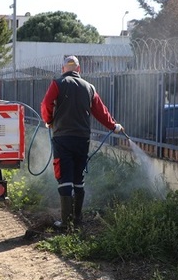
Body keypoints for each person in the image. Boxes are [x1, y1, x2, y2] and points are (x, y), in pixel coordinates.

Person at [40, 55, 124, 228]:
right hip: (82, 138)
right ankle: (77, 219)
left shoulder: (57, 84)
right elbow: (100, 111)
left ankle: (65, 222)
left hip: (62, 137)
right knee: (78, 177)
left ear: (63, 69)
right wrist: (113, 126)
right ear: (79, 69)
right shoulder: (89, 87)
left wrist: (48, 120)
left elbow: (46, 104)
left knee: (64, 177)